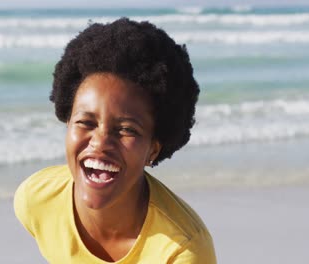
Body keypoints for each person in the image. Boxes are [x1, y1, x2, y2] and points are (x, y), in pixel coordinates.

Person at [14, 18, 216, 263]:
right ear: (68, 123)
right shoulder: (37, 199)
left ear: (153, 149)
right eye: (86, 123)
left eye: (126, 129)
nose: (100, 143)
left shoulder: (181, 250)